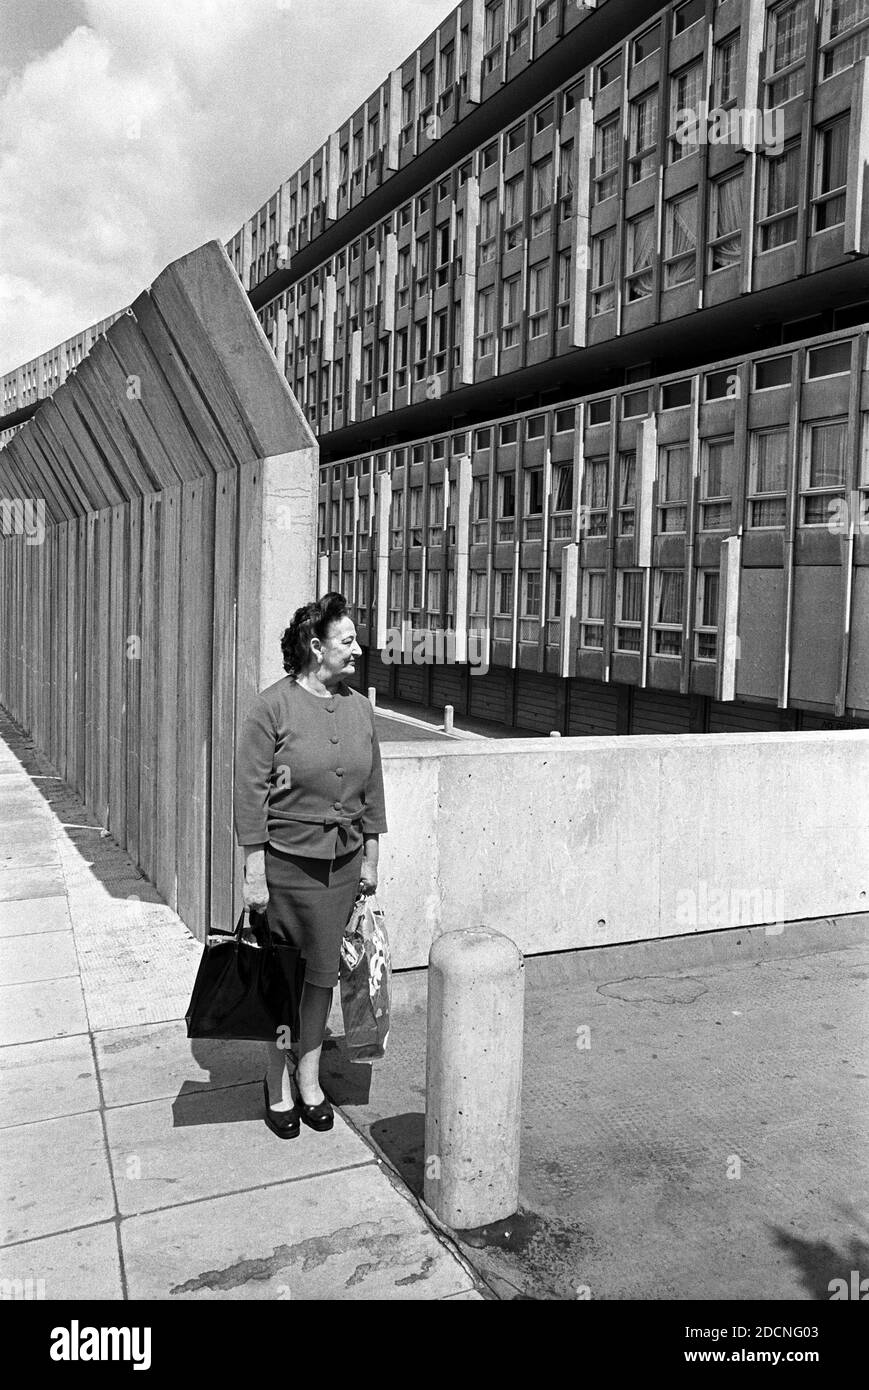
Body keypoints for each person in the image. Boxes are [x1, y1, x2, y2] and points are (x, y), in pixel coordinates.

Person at [233, 592, 387, 1139]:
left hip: (341, 870)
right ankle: (275, 1085)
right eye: (348, 640)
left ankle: (310, 1079)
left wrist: (370, 856)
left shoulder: (358, 707)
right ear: (316, 647)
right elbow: (251, 794)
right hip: (284, 869)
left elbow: (372, 786)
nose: (358, 649)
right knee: (283, 981)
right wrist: (254, 872)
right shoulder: (270, 707)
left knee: (321, 978)